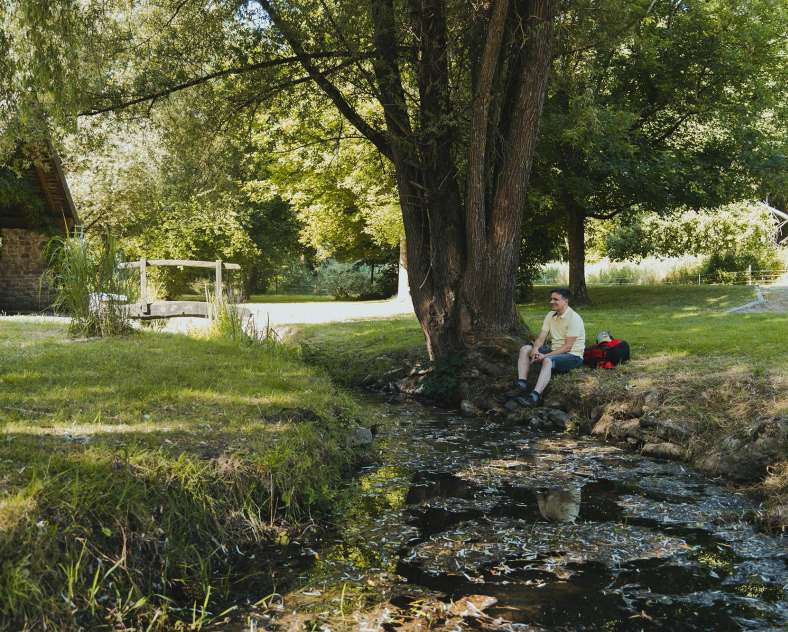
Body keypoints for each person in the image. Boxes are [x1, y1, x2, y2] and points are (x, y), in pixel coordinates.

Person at [513, 288, 585, 407]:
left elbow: (567, 347)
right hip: (555, 351)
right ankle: (522, 384)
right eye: (551, 299)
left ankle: (534, 396)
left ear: (565, 301)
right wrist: (536, 349)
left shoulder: (574, 318)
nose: (551, 302)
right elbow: (541, 338)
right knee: (525, 349)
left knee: (547, 361)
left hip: (573, 356)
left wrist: (544, 356)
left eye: (555, 299)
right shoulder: (550, 315)